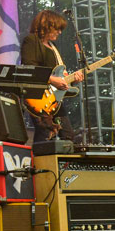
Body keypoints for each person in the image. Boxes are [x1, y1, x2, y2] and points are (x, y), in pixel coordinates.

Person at [20, 9, 83, 141]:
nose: (59, 32)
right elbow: (29, 68)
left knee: (68, 136)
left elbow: (60, 75)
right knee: (44, 133)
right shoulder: (31, 40)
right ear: (46, 26)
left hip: (55, 99)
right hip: (38, 97)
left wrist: (73, 79)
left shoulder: (53, 47)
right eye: (57, 29)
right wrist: (52, 80)